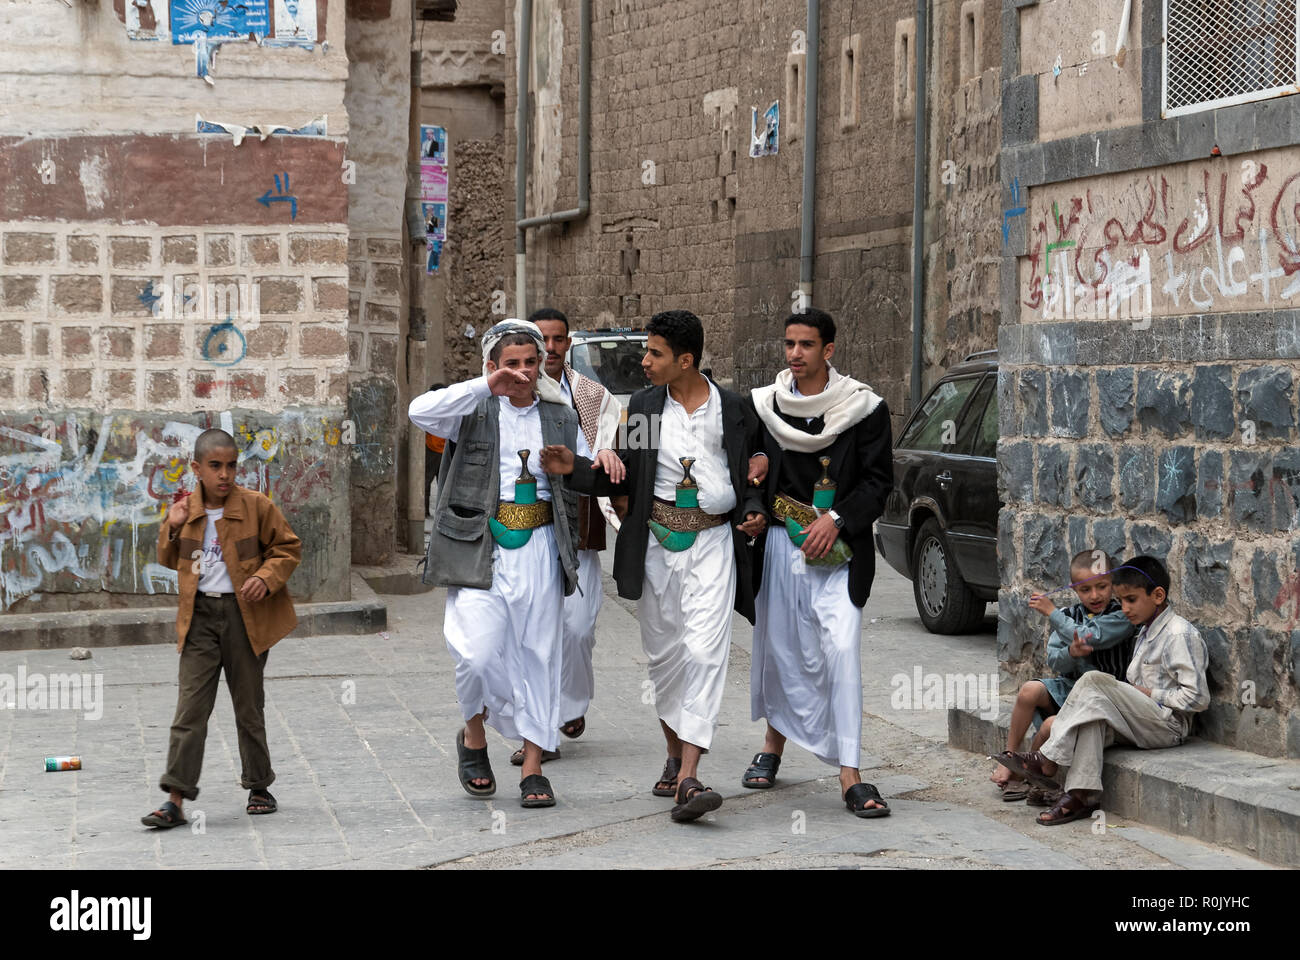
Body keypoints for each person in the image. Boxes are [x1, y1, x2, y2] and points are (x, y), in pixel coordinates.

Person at [540, 309, 766, 823]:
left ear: (685, 360)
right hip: (659, 546)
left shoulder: (732, 409)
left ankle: (689, 776)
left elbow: (752, 469)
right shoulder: (644, 409)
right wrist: (573, 468)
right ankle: (673, 753)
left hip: (713, 542)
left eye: (654, 353)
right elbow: (620, 477)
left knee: (706, 652)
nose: (644, 361)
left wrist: (755, 499)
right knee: (665, 658)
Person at [408, 318, 594, 808]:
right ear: (492, 366)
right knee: (475, 654)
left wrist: (586, 466)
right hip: (479, 547)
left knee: (540, 653)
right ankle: (474, 736)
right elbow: (418, 411)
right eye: (511, 364)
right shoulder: (470, 408)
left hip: (539, 546)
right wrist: (485, 385)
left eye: (530, 363)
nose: (523, 372)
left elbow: (588, 466)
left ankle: (533, 766)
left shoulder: (559, 415)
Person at [741, 308, 895, 818]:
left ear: (828, 350)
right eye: (789, 344)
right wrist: (755, 507)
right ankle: (772, 745)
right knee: (781, 649)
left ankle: (850, 773)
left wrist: (838, 520)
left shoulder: (864, 408)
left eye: (806, 345)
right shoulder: (766, 406)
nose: (795, 354)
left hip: (840, 552)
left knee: (840, 649)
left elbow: (878, 483)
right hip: (782, 547)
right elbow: (752, 476)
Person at [141, 428, 302, 829]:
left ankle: (259, 786)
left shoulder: (256, 506)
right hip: (199, 620)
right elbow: (167, 558)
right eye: (215, 466)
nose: (225, 474)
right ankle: (175, 799)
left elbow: (287, 548)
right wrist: (172, 526)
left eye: (231, 465)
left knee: (248, 707)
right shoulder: (186, 509)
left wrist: (266, 577)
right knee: (189, 710)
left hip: (245, 616)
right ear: (197, 468)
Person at [995, 555, 1210, 825]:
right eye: (1122, 602)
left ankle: (1047, 760)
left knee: (1094, 678)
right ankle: (1080, 797)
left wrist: (1149, 694)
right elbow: (1056, 656)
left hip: (1167, 726)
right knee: (1090, 719)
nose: (1125, 609)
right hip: (1141, 719)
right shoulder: (1144, 630)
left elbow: (1198, 698)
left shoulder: (1179, 634)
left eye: (1131, 600)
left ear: (1157, 595)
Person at [509, 307, 624, 765]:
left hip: (578, 529)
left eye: (559, 340)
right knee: (531, 635)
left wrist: (609, 453)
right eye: (544, 341)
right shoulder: (511, 392)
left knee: (577, 629)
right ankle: (540, 731)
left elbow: (609, 439)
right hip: (529, 529)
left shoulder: (591, 396)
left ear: (568, 342)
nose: (552, 348)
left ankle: (571, 703)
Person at [991, 550, 1137, 802]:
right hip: (1070, 686)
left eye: (1102, 586)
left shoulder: (1120, 615)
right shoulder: (1069, 615)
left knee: (1049, 726)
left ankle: (1025, 776)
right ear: (1074, 589)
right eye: (1085, 589)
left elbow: (1094, 636)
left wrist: (1052, 614)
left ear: (1112, 583)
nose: (1094, 595)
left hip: (1103, 694)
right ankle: (1009, 757)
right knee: (1028, 691)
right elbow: (1054, 658)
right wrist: (1071, 651)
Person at [422, 382, 447, 517]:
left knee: (426, 480)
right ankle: (442, 512)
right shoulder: (447, 407)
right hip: (442, 449)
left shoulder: (433, 407)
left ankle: (425, 511)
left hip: (432, 448)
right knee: (443, 482)